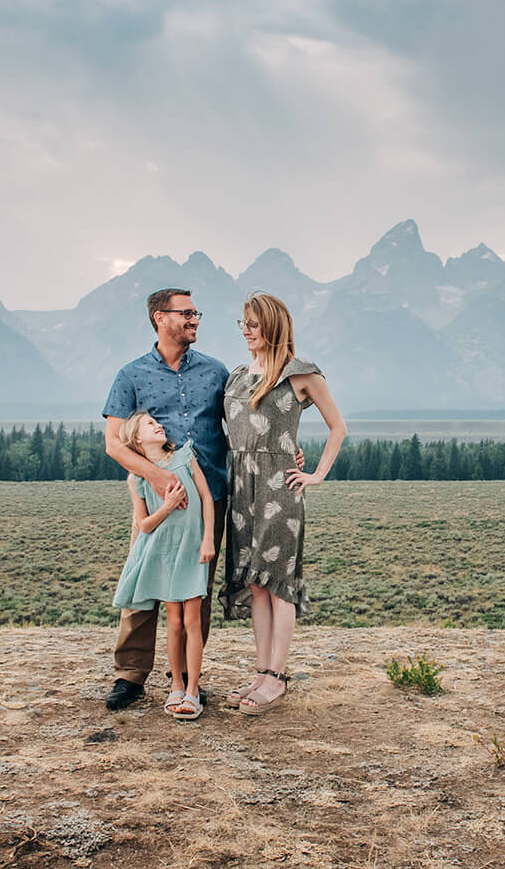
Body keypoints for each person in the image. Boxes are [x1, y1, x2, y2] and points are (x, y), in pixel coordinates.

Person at [102, 289, 229, 710]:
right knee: (145, 580)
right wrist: (156, 478)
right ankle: (130, 675)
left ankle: (188, 679)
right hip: (155, 499)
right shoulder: (131, 375)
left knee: (197, 591)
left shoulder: (216, 372)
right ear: (160, 317)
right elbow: (114, 444)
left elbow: (243, 426)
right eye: (187, 313)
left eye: (197, 312)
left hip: (206, 496)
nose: (195, 319)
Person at [219, 292, 346, 716]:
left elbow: (338, 427)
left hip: (279, 487)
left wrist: (316, 473)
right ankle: (261, 672)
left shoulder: (300, 373)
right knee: (255, 582)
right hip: (241, 487)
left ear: (273, 325)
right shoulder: (237, 376)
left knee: (278, 582)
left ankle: (277, 678)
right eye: (242, 324)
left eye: (253, 324)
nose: (246, 331)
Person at [110, 412, 216, 719]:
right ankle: (177, 686)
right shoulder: (137, 478)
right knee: (173, 624)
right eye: (148, 424)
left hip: (193, 548)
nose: (158, 425)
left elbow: (207, 497)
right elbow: (144, 525)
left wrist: (208, 538)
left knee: (192, 622)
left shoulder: (185, 457)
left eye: (157, 422)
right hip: (166, 554)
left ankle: (194, 690)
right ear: (136, 439)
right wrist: (168, 507)